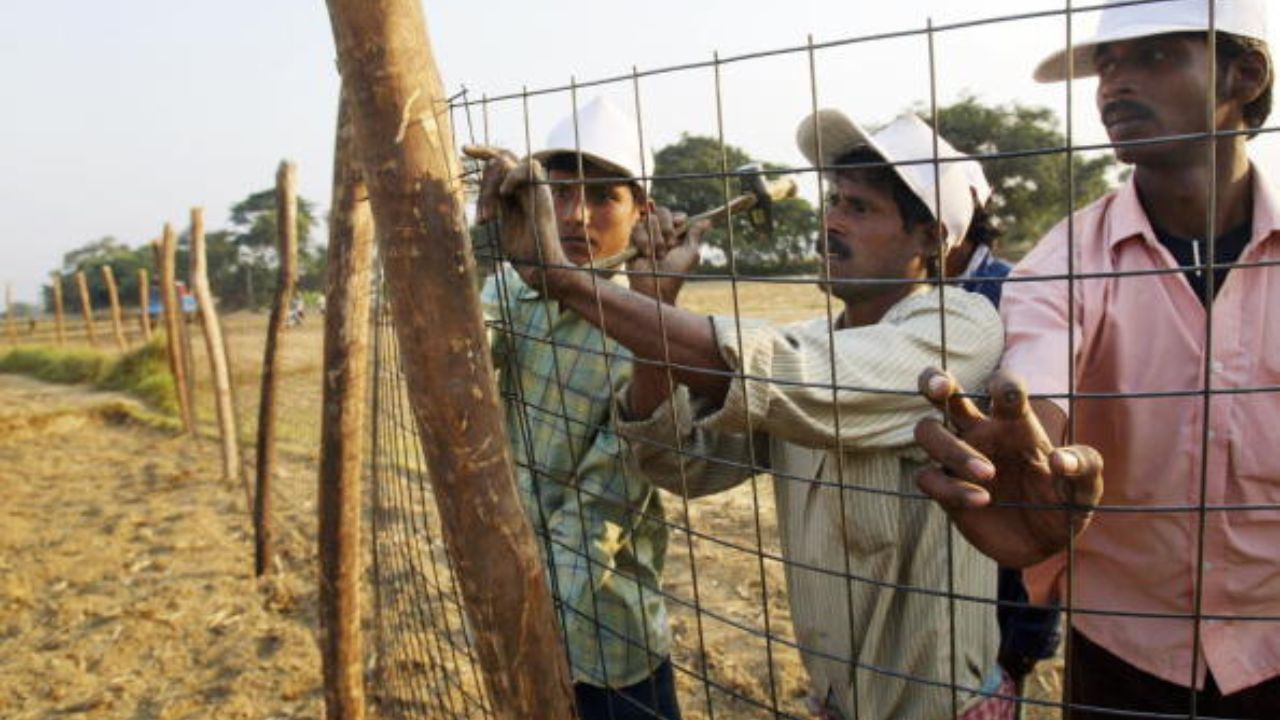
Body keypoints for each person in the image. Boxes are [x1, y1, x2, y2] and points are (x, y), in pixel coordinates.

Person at [471, 109, 1013, 719]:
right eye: (833, 201)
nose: (829, 221)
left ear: (931, 240)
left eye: (859, 209)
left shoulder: (960, 328)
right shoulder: (816, 340)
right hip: (838, 702)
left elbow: (789, 374)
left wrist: (569, 283)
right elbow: (684, 467)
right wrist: (653, 302)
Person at [912, 1, 1280, 717]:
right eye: (1106, 66)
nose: (1113, 85)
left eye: (1154, 56)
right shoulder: (1064, 261)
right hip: (1124, 651)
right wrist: (1028, 463)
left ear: (1245, 73)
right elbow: (1037, 381)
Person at [473, 96, 681, 720]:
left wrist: (529, 619)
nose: (574, 217)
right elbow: (454, 376)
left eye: (602, 198)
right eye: (557, 194)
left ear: (642, 213)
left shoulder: (644, 321)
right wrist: (487, 234)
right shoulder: (509, 290)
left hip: (605, 635)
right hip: (517, 614)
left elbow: (600, 510)